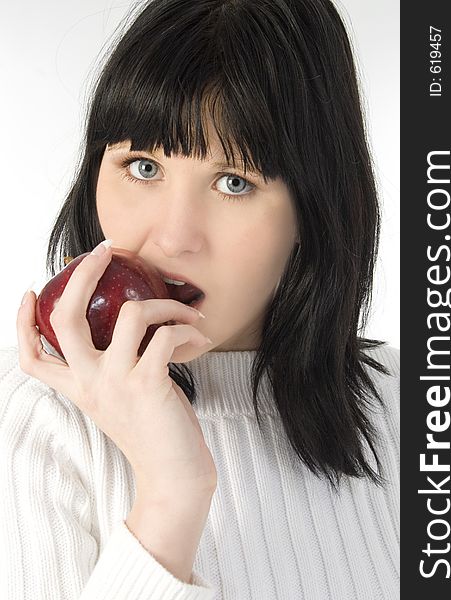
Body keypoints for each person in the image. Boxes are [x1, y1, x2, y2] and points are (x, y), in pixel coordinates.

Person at [0, 0, 399, 598]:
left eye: (234, 182)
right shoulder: (39, 422)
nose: (172, 237)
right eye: (141, 166)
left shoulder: (408, 406)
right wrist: (170, 495)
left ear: (314, 211)